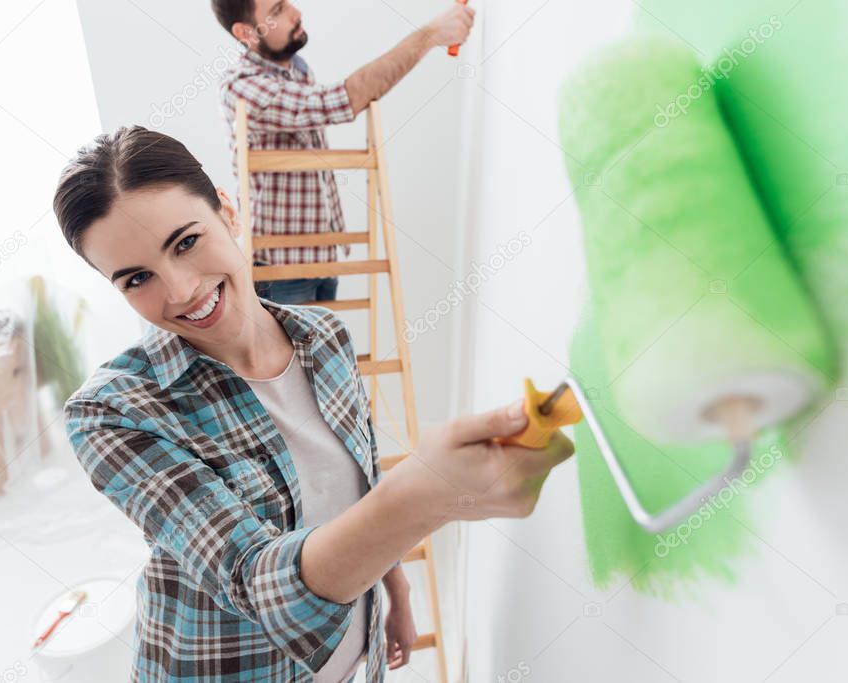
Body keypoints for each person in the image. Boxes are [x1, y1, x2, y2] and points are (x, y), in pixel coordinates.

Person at [54, 126, 573, 683]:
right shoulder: (111, 414)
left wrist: (394, 588)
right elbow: (253, 581)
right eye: (137, 278)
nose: (180, 290)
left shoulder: (325, 338)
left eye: (185, 242)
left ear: (227, 210)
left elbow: (358, 485)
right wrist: (424, 495)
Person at [213, 0, 476, 305]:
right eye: (277, 11)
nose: (296, 13)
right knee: (292, 354)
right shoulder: (241, 87)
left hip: (323, 257)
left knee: (324, 353)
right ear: (246, 31)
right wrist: (429, 35)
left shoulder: (298, 70)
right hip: (279, 272)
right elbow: (340, 100)